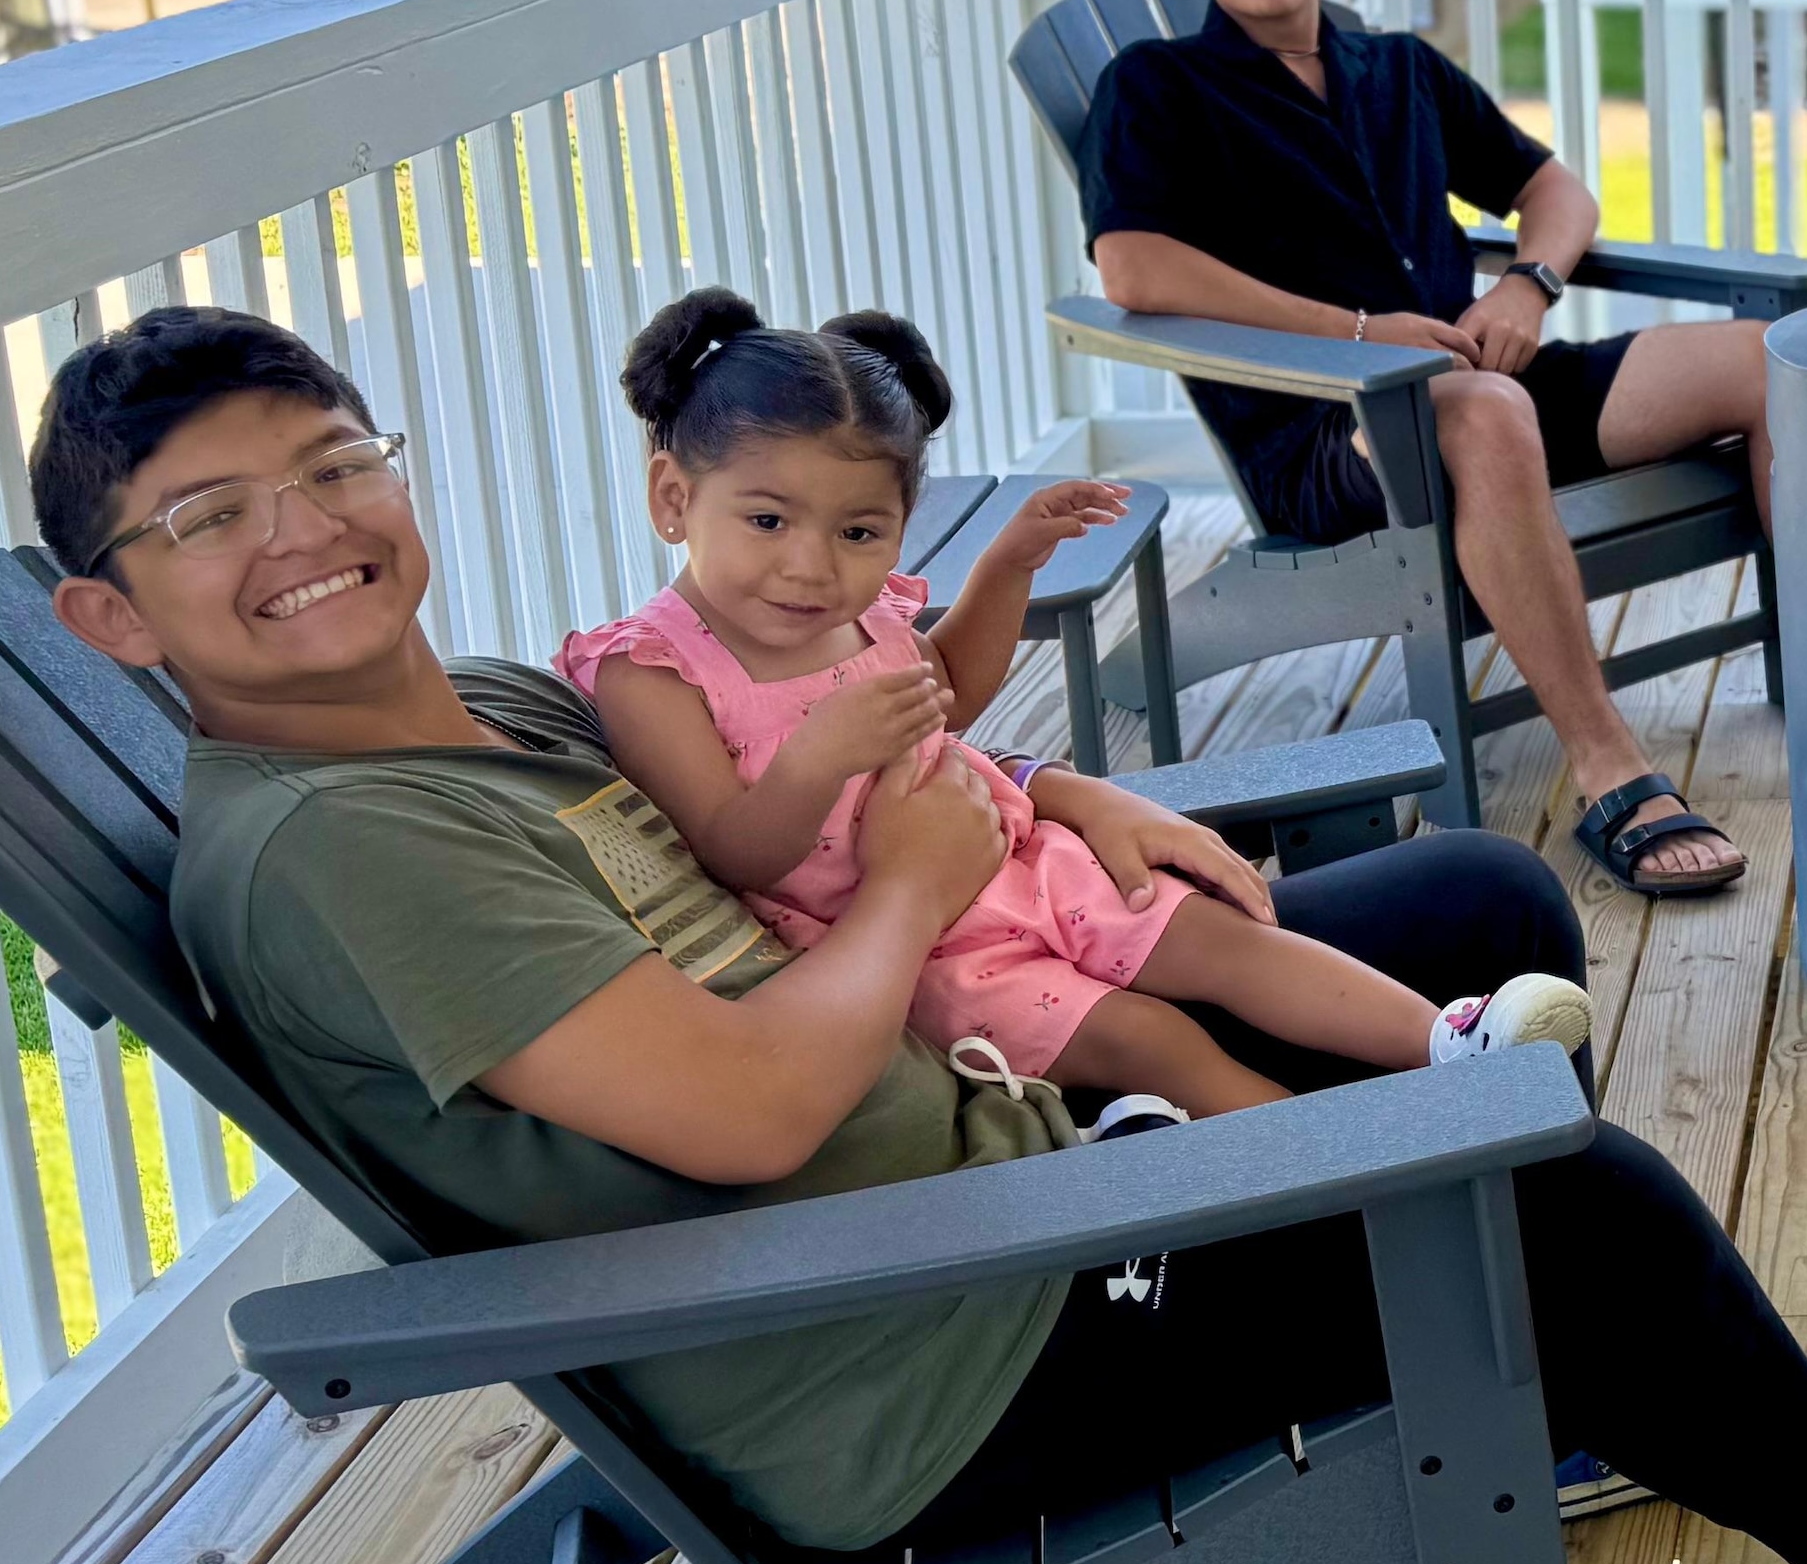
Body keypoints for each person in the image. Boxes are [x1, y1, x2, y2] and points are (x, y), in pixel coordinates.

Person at [40, 303, 1807, 1564]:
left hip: (993, 1153)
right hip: (930, 1337)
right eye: (207, 518)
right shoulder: (348, 849)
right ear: (113, 617)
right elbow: (759, 1114)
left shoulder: (494, 710)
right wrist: (934, 900)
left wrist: (1065, 796)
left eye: (330, 464)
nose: (303, 529)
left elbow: (816, 792)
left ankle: (1553, 1385)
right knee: (1560, 1195)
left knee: (1466, 901)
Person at [561, 286, 1593, 1120]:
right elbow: (732, 850)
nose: (810, 566)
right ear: (671, 499)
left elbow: (948, 695)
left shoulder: (855, 616)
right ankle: (1337, 1153)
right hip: (908, 947)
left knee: (1224, 942)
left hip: (1018, 857)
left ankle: (1445, 1044)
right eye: (768, 519)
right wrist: (814, 760)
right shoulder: (653, 670)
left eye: (859, 533)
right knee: (1156, 1038)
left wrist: (1006, 566)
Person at [1078, 0, 1757, 901]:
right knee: (1480, 411)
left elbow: (1553, 191)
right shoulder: (1154, 87)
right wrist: (1358, 335)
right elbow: (1135, 270)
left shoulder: (1396, 66)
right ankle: (1608, 765)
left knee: (1773, 361)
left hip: (1492, 382)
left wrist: (1530, 287)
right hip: (1329, 435)